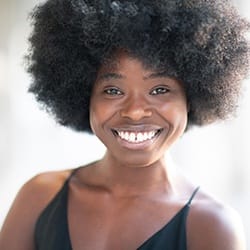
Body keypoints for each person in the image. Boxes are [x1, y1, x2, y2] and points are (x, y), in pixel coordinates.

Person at [0, 0, 249, 249]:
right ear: (84, 95)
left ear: (192, 96)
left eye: (160, 89)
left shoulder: (211, 226)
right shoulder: (38, 198)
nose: (135, 111)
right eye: (113, 90)